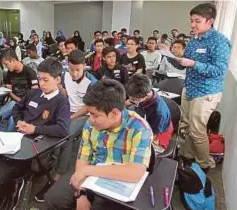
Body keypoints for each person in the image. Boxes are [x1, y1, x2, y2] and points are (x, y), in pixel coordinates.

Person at [44, 79, 153, 210]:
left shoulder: (139, 128)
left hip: (119, 182)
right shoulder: (90, 125)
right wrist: (81, 194)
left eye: (95, 115)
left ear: (114, 113)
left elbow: (135, 172)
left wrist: (88, 170)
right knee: (52, 199)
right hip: (90, 177)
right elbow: (83, 160)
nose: (90, 119)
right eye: (89, 113)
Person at [0, 58, 71, 209]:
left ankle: (12, 190)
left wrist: (35, 129)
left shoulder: (61, 101)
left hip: (35, 145)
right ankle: (9, 186)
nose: (41, 83)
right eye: (39, 79)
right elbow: (17, 108)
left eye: (45, 80)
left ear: (58, 80)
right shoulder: (34, 93)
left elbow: (63, 129)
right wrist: (18, 121)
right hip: (17, 138)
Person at [34, 50, 96, 202]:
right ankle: (43, 164)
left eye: (78, 70)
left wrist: (70, 116)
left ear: (84, 66)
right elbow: (64, 93)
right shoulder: (65, 75)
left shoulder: (91, 83)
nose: (74, 73)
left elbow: (88, 108)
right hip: (66, 110)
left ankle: (56, 177)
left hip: (82, 116)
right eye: (71, 69)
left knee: (65, 135)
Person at [176, 3, 231, 172]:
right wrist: (175, 57)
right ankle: (187, 156)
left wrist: (194, 63)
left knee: (197, 130)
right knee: (186, 126)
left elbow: (219, 70)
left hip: (206, 91)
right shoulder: (194, 40)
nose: (193, 25)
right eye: (191, 21)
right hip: (190, 88)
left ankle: (204, 163)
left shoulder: (220, 42)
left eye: (197, 21)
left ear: (210, 21)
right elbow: (186, 63)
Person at [125, 73, 173, 153]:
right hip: (145, 123)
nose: (130, 100)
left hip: (157, 134)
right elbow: (128, 103)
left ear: (146, 95)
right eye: (130, 97)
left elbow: (152, 134)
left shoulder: (159, 112)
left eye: (134, 98)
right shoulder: (143, 92)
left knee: (132, 151)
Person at [0, 49, 39, 132]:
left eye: (6, 64)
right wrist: (16, 98)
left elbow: (35, 94)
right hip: (15, 102)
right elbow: (9, 90)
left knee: (13, 120)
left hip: (27, 104)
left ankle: (8, 140)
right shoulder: (9, 73)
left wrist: (21, 101)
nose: (5, 67)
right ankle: (1, 136)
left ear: (13, 60)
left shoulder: (29, 72)